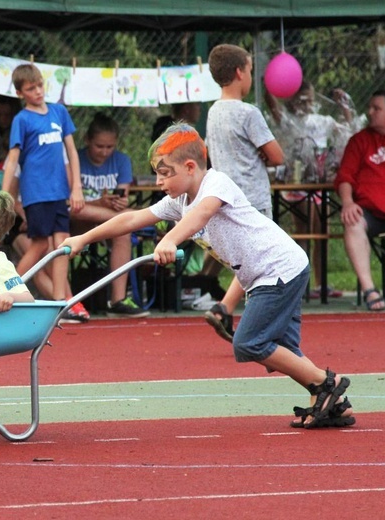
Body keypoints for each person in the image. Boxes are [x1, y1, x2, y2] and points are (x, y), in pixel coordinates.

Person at [60, 122, 355, 430]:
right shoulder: (179, 201)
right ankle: (336, 407)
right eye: (157, 174)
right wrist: (83, 238)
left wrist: (170, 239)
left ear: (190, 166)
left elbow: (202, 213)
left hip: (279, 270)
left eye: (165, 173)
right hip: (267, 275)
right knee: (284, 350)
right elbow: (134, 217)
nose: (159, 181)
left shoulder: (216, 184)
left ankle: (326, 384)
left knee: (249, 343)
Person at [203, 43, 284, 342]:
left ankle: (226, 307)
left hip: (224, 194)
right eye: (250, 70)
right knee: (263, 261)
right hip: (252, 197)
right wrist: (263, 153)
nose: (251, 76)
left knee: (249, 260)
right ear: (240, 72)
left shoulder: (213, 112)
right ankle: (253, 323)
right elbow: (277, 156)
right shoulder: (249, 112)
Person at [2, 64, 87, 323]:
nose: (38, 91)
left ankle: (60, 302)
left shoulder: (59, 112)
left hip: (59, 190)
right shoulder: (22, 120)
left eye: (39, 85)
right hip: (36, 191)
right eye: (31, 88)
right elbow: (14, 157)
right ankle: (6, 288)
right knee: (39, 244)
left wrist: (76, 187)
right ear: (20, 93)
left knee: (62, 244)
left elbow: (71, 151)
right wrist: (5, 196)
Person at [265, 80, 361, 299]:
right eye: (303, 98)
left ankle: (320, 282)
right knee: (306, 232)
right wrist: (270, 88)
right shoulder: (290, 122)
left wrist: (343, 105)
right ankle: (298, 282)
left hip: (318, 182)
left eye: (310, 98)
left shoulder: (322, 121)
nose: (308, 103)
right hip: (297, 186)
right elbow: (274, 110)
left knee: (322, 234)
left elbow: (348, 130)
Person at [334, 90, 385, 310]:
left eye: (376, 108)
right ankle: (370, 290)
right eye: (370, 108)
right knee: (352, 221)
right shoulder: (359, 141)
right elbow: (345, 177)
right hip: (371, 213)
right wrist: (347, 202)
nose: (370, 112)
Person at [71, 112, 148, 317]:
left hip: (107, 218)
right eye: (99, 146)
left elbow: (122, 195)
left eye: (109, 147)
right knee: (80, 210)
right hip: (79, 220)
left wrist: (119, 203)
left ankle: (117, 300)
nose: (104, 152)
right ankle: (138, 218)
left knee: (122, 232)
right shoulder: (75, 159)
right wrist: (100, 203)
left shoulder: (122, 161)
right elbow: (71, 205)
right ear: (87, 140)